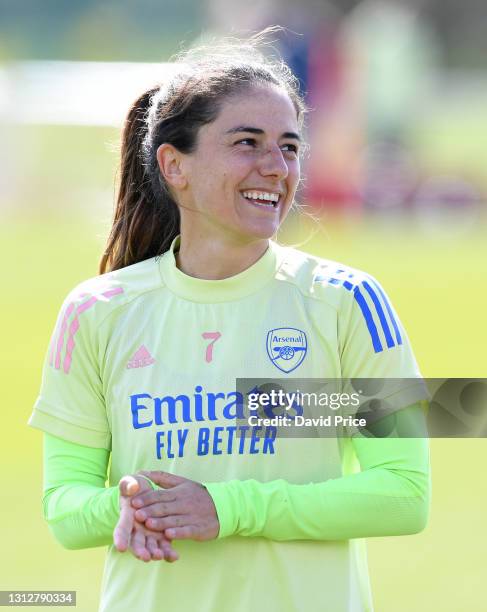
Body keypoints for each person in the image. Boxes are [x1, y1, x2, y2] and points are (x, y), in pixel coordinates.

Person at [29, 30, 430, 612]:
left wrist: (227, 508)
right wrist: (129, 505)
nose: (276, 167)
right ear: (174, 165)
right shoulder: (96, 311)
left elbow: (403, 493)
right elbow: (64, 508)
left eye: (290, 147)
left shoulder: (346, 303)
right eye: (248, 143)